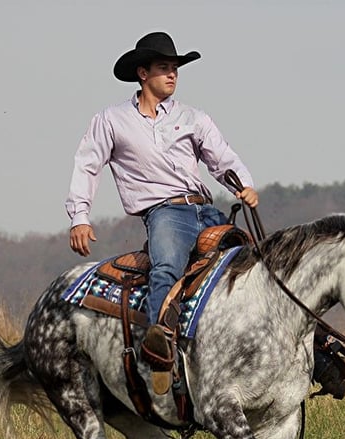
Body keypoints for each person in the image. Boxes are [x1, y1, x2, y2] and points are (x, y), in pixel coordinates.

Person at [66, 31, 258, 369]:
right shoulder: (111, 120)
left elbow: (222, 158)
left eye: (175, 68)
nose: (172, 74)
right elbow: (87, 165)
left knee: (255, 265)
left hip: (206, 210)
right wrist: (80, 216)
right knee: (166, 266)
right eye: (163, 67)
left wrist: (244, 184)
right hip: (165, 214)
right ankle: (160, 347)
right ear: (143, 74)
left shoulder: (193, 117)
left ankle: (303, 348)